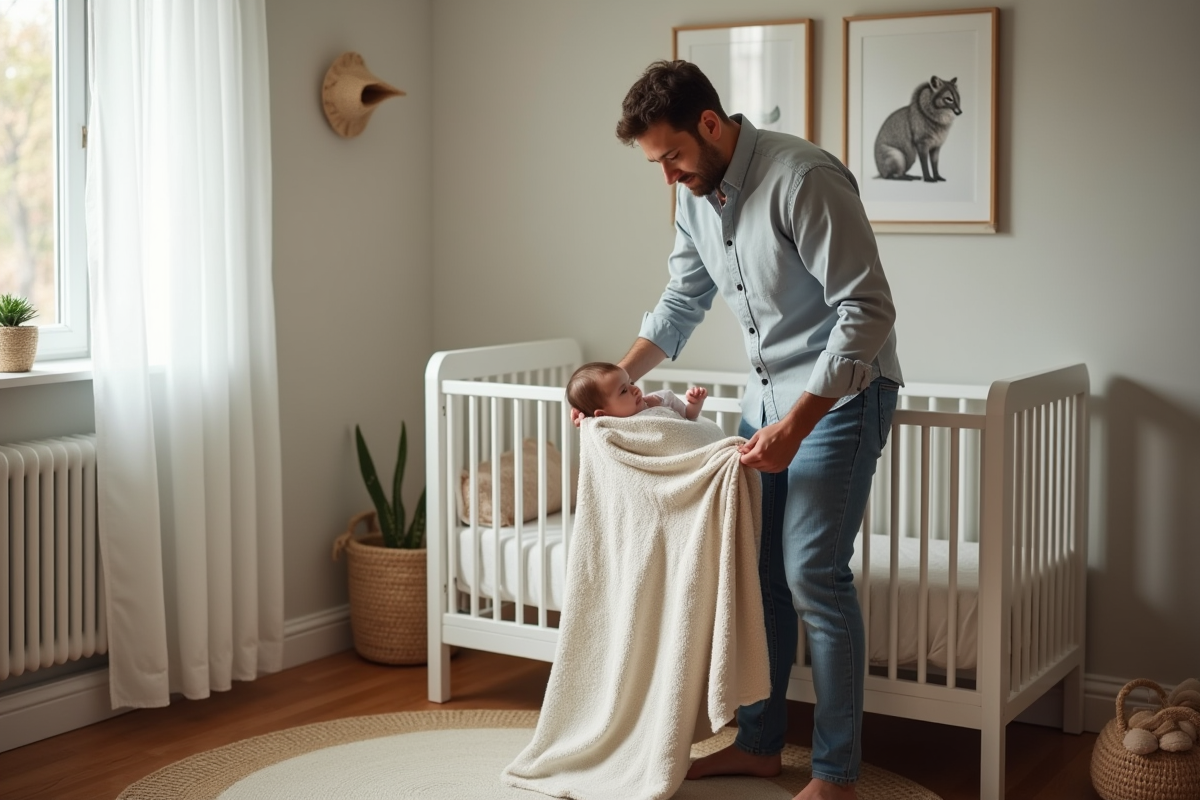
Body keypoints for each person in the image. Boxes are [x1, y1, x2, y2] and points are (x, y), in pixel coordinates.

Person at [572, 60, 905, 800]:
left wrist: (798, 424)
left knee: (812, 574)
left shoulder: (804, 179)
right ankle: (758, 746)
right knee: (759, 577)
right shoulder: (694, 196)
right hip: (766, 397)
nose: (669, 176)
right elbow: (681, 301)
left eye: (673, 157)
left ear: (710, 124)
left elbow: (868, 311)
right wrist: (608, 387)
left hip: (839, 397)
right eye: (657, 165)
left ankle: (836, 773)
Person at [567, 361, 707, 420]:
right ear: (602, 415)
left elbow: (689, 416)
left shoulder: (657, 401)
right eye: (623, 391)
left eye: (631, 383)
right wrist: (585, 423)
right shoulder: (607, 431)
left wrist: (695, 403)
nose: (635, 389)